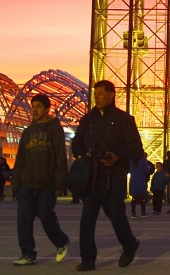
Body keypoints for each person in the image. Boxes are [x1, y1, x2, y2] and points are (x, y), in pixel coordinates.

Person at [71, 80, 143, 272]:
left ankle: (129, 244)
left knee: (116, 214)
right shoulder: (88, 119)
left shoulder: (124, 119)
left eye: (101, 93)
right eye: (95, 94)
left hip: (115, 176)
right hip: (92, 176)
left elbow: (136, 147)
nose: (97, 97)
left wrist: (117, 156)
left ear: (112, 94)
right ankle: (87, 259)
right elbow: (76, 144)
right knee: (87, 218)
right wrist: (83, 158)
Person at [11, 93, 70, 266]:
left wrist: (60, 182)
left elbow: (61, 156)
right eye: (33, 107)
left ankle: (61, 241)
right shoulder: (28, 132)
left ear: (47, 109)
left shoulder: (54, 128)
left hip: (47, 183)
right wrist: (16, 183)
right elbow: (20, 159)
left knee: (46, 215)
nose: (35, 110)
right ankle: (28, 254)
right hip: (27, 183)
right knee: (23, 221)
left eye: (38, 107)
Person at [128, 152, 152, 218]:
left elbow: (129, 170)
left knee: (134, 197)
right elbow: (146, 171)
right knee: (142, 196)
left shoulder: (131, 161)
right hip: (141, 179)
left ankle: (133, 213)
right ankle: (143, 212)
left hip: (133, 180)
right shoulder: (143, 161)